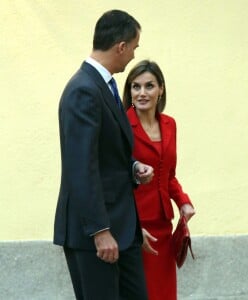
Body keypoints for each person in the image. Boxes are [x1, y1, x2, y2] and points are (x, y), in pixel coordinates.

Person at [53, 10, 154, 300]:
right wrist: (100, 230)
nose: (134, 55)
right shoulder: (83, 90)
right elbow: (80, 166)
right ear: (120, 46)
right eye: (134, 47)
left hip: (123, 229)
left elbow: (105, 153)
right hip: (96, 234)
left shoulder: (103, 86)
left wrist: (133, 167)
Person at [123, 60, 196, 300]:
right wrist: (131, 226)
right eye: (136, 87)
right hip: (136, 226)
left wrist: (183, 201)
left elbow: (168, 174)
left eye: (149, 86)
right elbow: (116, 178)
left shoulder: (170, 124)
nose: (142, 93)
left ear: (161, 89)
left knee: (164, 294)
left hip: (163, 225)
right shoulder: (122, 125)